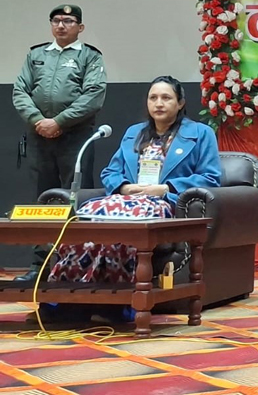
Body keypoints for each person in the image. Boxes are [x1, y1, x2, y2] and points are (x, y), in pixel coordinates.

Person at [35, 76, 221, 323]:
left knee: (126, 222)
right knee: (86, 217)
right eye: (153, 98)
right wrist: (123, 187)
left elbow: (210, 177)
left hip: (162, 202)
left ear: (180, 103)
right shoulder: (134, 133)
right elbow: (110, 172)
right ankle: (67, 299)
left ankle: (115, 303)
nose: (159, 103)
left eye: (166, 98)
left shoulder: (201, 134)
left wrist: (164, 188)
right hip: (124, 199)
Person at [12, 4, 107, 282]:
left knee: (76, 199)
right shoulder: (36, 55)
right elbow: (20, 91)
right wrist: (38, 120)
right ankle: (40, 266)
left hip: (75, 138)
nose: (61, 25)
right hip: (39, 137)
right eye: (56, 20)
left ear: (80, 27)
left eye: (68, 20)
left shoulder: (89, 56)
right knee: (42, 201)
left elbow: (93, 95)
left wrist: (59, 122)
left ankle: (76, 265)